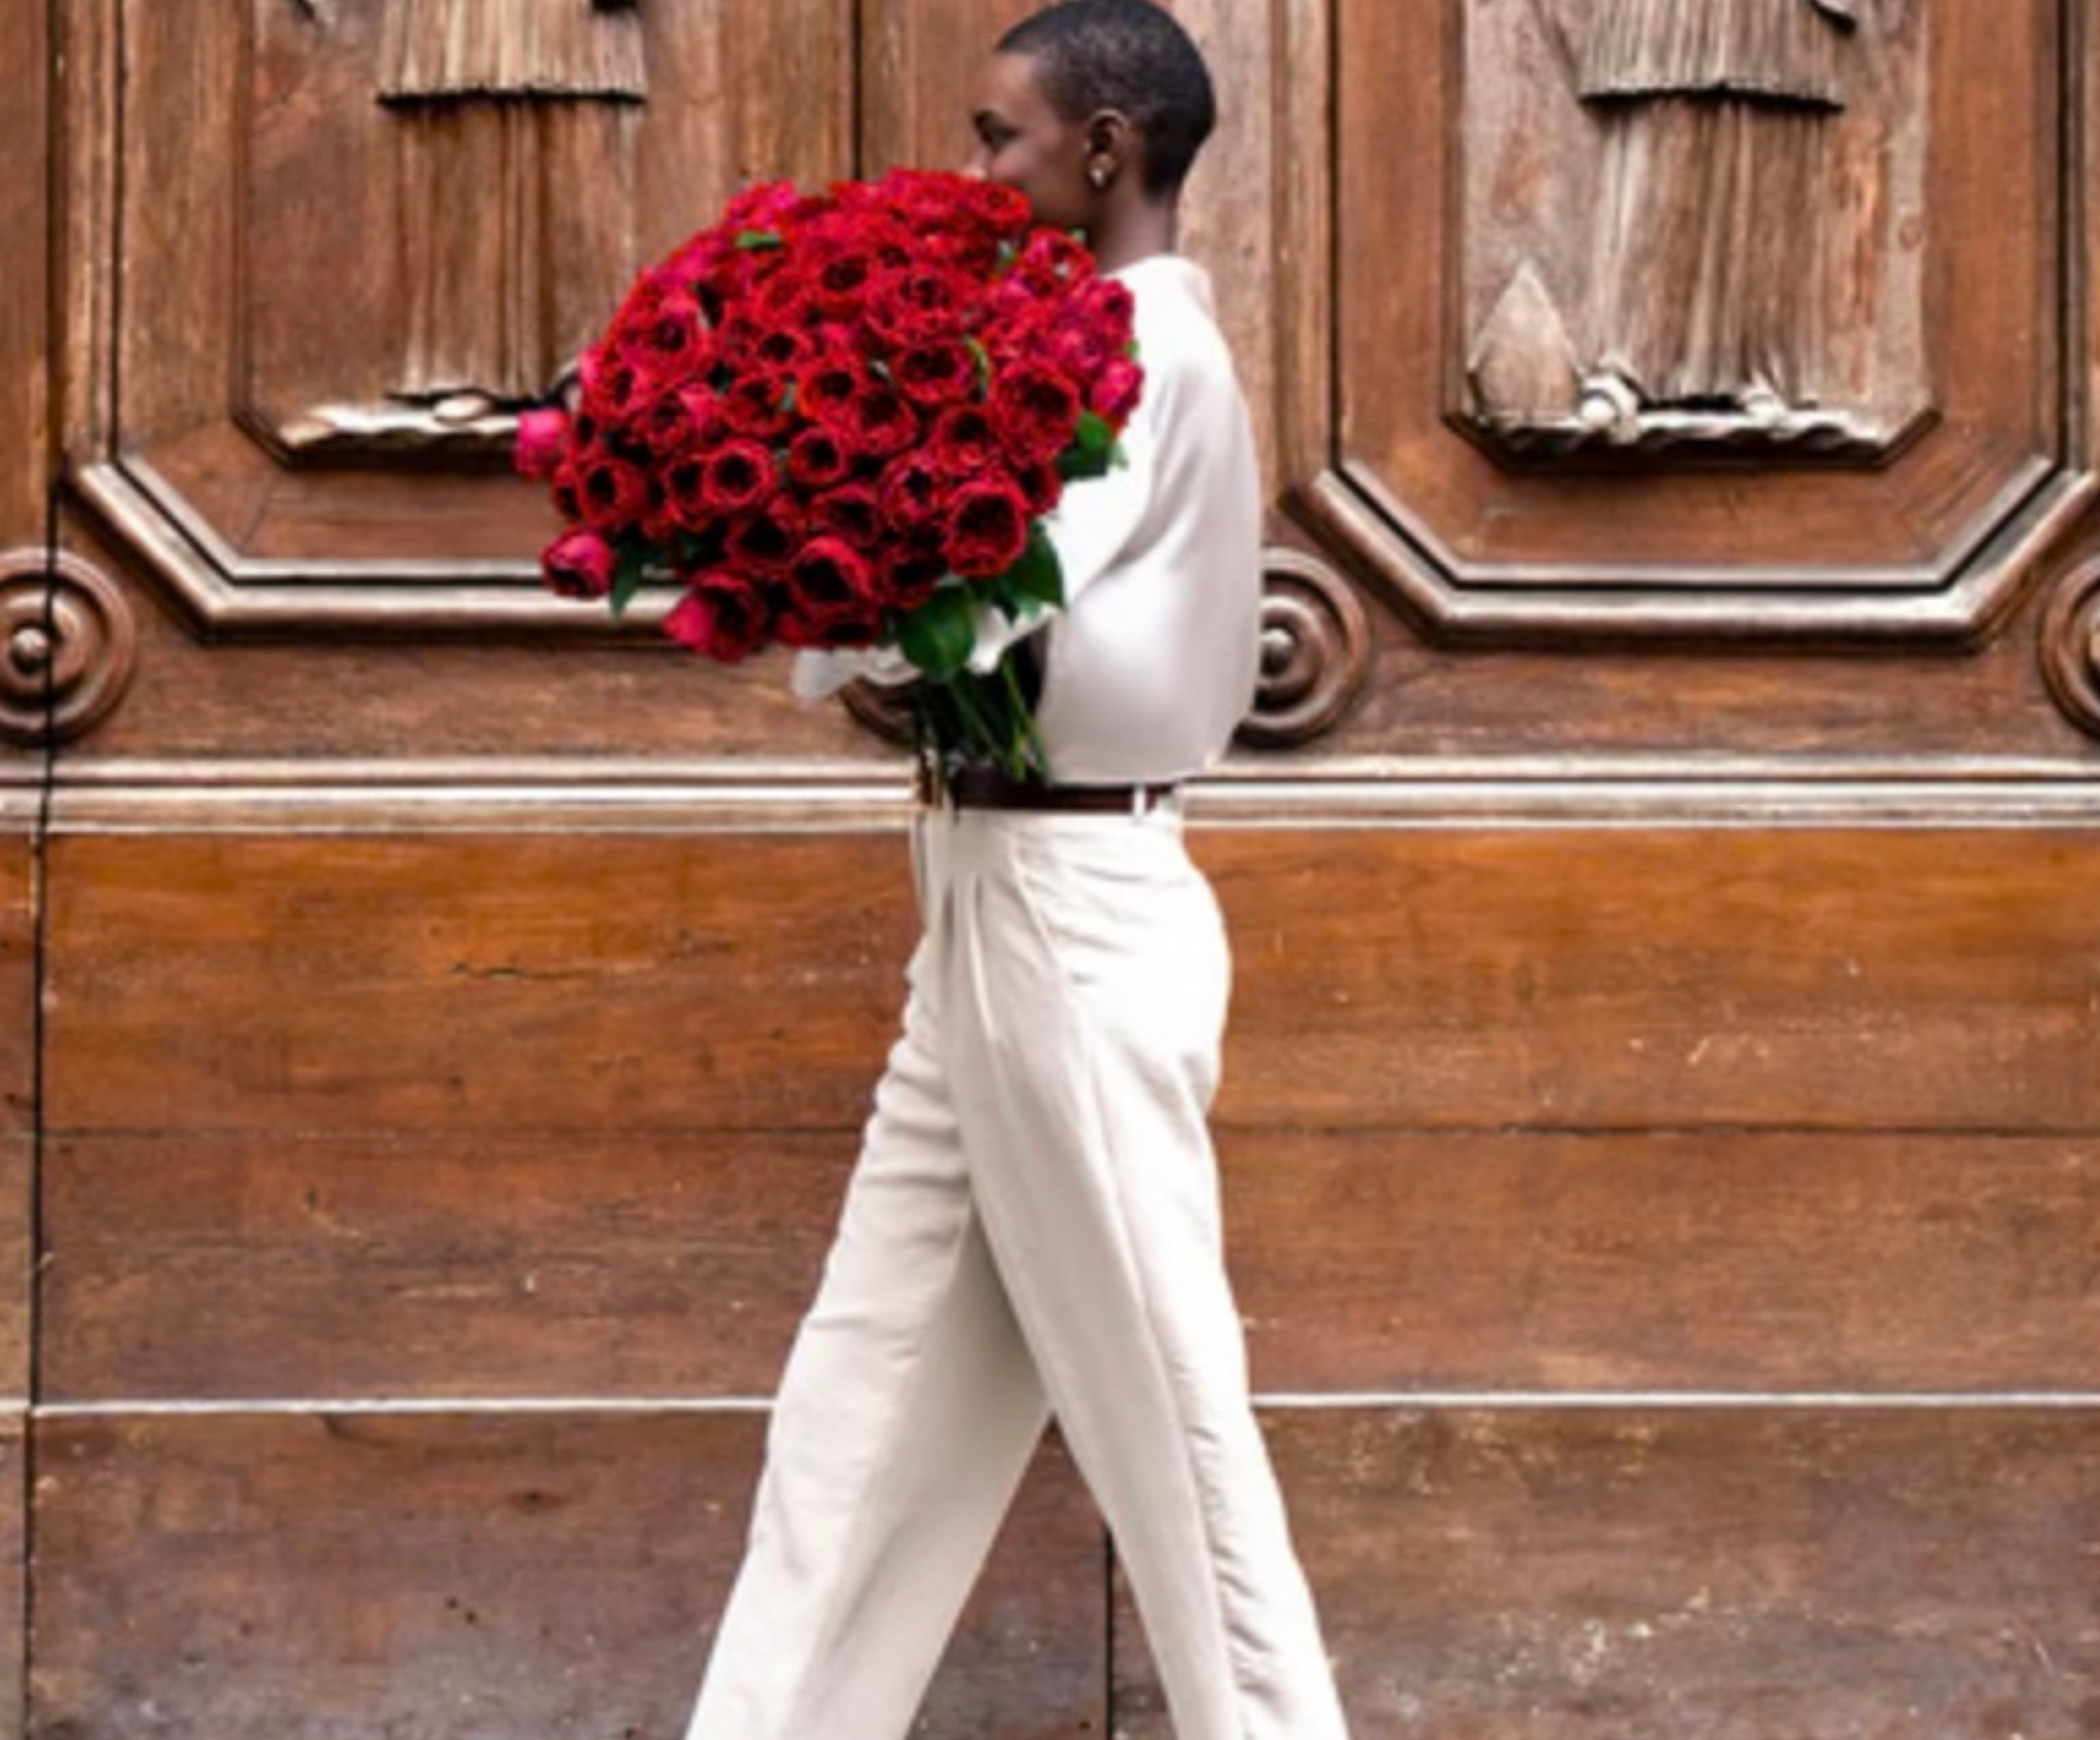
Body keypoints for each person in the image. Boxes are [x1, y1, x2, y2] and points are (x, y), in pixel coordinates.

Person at [680, 6, 1351, 1738]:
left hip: (1072, 918)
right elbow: (945, 619)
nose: (978, 171)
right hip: (986, 900)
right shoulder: (1076, 339)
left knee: (1174, 1425)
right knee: (862, 1400)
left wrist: (803, 588)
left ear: (1106, 147)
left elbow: (992, 588)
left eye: (1002, 137)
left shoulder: (1135, 350)